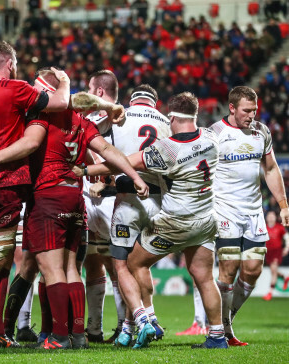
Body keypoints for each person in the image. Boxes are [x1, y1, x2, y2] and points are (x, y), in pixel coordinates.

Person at [83, 92, 228, 349]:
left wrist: (85, 171)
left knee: (133, 263)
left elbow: (123, 164)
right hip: (206, 220)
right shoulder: (210, 138)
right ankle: (217, 335)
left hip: (176, 223)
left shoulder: (167, 149)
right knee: (204, 277)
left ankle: (147, 318)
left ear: (172, 117)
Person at [0, 40, 72, 348]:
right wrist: (66, 83)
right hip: (1, 180)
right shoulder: (15, 89)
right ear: (10, 63)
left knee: (2, 256)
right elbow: (60, 103)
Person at [210, 86, 289, 346]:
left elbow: (270, 169)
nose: (251, 115)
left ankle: (226, 320)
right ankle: (221, 331)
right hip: (225, 210)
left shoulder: (261, 131)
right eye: (246, 110)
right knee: (229, 266)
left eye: (254, 110)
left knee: (253, 269)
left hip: (253, 211)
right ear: (232, 108)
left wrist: (283, 204)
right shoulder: (215, 134)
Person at [105, 84, 171, 347]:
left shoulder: (119, 114)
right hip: (158, 201)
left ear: (132, 100)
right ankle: (150, 317)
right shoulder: (167, 122)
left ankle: (140, 320)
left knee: (121, 264)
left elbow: (103, 148)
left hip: (128, 199)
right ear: (154, 102)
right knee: (139, 264)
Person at [82, 70, 127, 344]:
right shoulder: (124, 119)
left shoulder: (116, 119)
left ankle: (126, 325)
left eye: (89, 87)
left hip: (108, 198)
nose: (86, 91)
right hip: (98, 197)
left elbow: (123, 159)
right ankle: (95, 329)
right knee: (96, 262)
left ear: (98, 91)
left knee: (117, 266)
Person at [262, 210, 289, 301]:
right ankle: (285, 277)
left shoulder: (279, 227)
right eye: (269, 216)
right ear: (266, 218)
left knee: (273, 271)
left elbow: (286, 237)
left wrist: (286, 248)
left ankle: (270, 292)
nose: (270, 218)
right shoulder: (264, 227)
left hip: (277, 251)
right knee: (274, 270)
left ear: (275, 218)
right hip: (267, 252)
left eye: (272, 216)